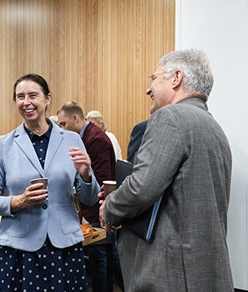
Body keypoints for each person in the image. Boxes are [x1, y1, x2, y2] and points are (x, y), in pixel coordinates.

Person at [99, 49, 233, 291]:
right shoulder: (214, 128)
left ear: (176, 78)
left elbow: (141, 188)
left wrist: (109, 207)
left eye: (154, 78)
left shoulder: (170, 117)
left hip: (169, 272)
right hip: (202, 270)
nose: (148, 89)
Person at [0, 73, 100, 291]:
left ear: (47, 99)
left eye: (33, 95)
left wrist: (86, 175)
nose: (26, 102)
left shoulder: (72, 140)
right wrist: (18, 202)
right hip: (19, 250)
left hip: (64, 247)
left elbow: (90, 198)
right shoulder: (3, 145)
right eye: (20, 97)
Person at [57, 102, 124, 292]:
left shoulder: (95, 139)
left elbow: (103, 180)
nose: (61, 129)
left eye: (63, 124)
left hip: (99, 209)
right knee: (105, 260)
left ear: (75, 118)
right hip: (95, 208)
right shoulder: (86, 136)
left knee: (102, 260)